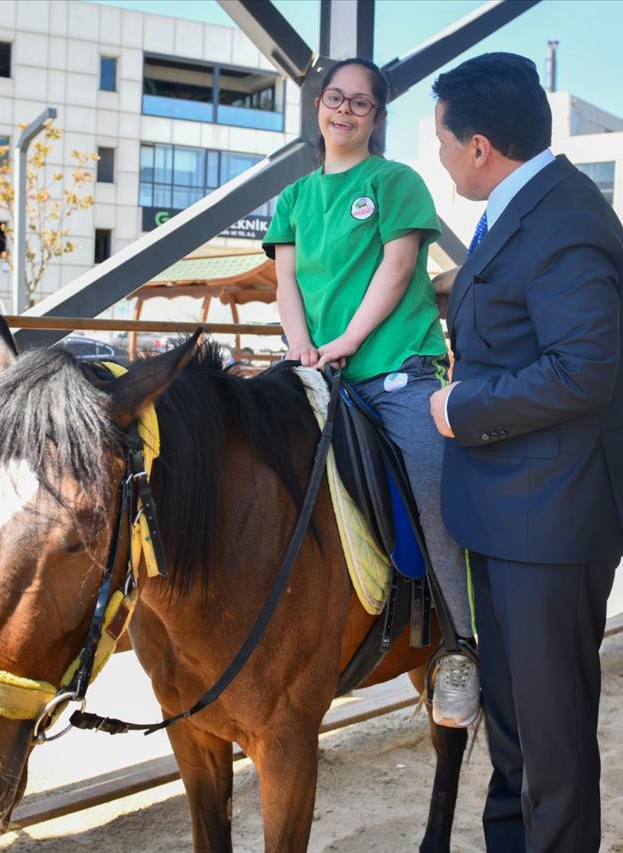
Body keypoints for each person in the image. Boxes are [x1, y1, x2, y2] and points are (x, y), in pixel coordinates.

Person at [428, 53, 623, 852]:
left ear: (481, 146)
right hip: (513, 515)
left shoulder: (564, 219)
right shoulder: (529, 206)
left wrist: (460, 406)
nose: (443, 159)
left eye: (445, 142)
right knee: (515, 734)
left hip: (550, 522)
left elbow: (583, 368)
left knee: (550, 749)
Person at [261, 57, 478, 728]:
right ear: (318, 108)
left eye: (360, 103)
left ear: (376, 116)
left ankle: (462, 648)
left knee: (435, 489)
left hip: (392, 372)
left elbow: (400, 264)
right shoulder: (294, 199)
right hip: (317, 369)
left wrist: (346, 340)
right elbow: (286, 285)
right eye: (335, 100)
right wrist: (301, 346)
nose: (345, 111)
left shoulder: (395, 182)